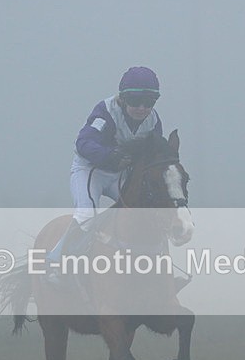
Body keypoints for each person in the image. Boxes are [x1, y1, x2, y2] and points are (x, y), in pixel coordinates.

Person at [46, 67, 164, 283]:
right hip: (92, 170)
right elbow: (83, 143)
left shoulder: (153, 121)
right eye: (136, 100)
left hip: (119, 173)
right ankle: (57, 263)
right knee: (86, 216)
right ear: (123, 98)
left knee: (146, 214)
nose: (142, 108)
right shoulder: (106, 112)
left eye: (149, 102)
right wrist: (111, 156)